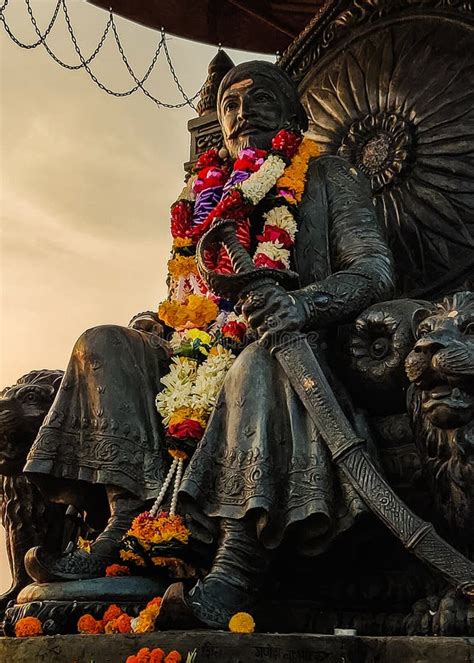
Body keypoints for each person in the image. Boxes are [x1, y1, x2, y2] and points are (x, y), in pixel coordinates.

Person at [24, 62, 395, 618]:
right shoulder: (202, 195)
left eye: (260, 99)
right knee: (103, 342)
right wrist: (159, 326)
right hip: (198, 352)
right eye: (231, 103)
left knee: (254, 359)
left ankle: (236, 566)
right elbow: (188, 297)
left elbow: (374, 271)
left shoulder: (327, 175)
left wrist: (300, 303)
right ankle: (125, 529)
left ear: (294, 117)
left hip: (289, 354)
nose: (242, 112)